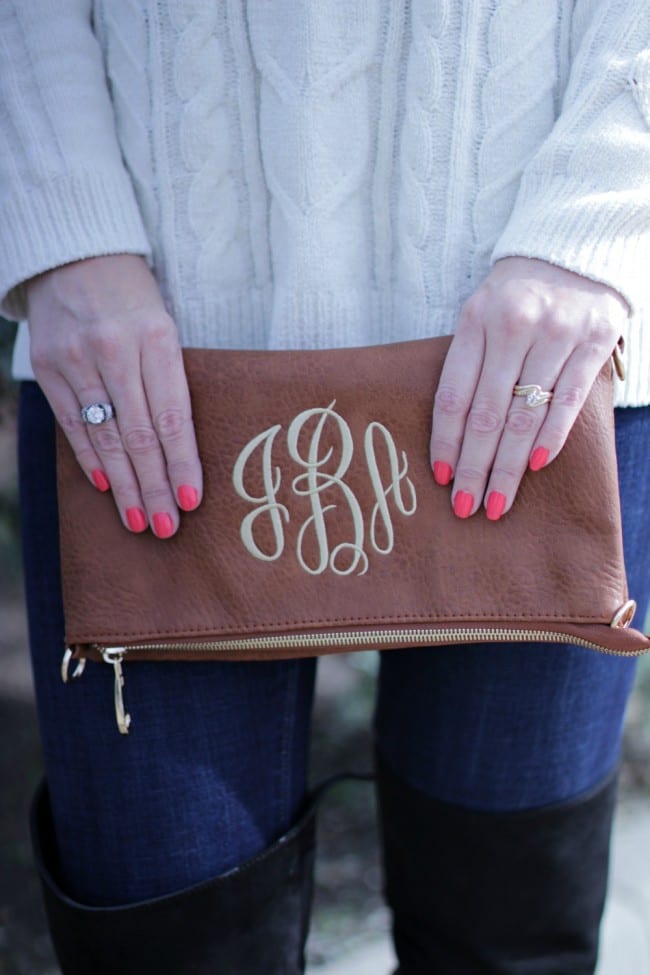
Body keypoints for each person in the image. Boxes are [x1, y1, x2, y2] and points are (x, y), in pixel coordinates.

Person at [2, 2, 650, 972]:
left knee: (506, 934)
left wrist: (602, 214)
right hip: (132, 350)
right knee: (164, 937)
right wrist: (62, 232)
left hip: (547, 354)